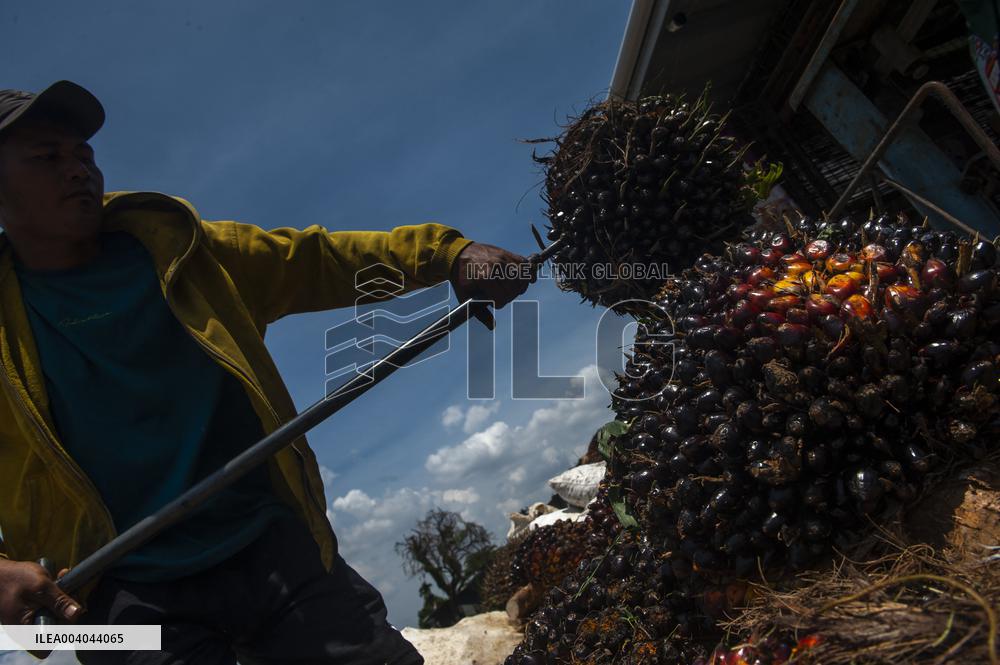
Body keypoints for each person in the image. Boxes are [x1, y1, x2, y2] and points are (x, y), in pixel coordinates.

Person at [0, 80, 535, 664]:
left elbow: (315, 259)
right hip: (112, 599)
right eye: (47, 157)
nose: (79, 169)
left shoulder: (180, 249)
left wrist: (445, 254)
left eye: (84, 155)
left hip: (268, 542)